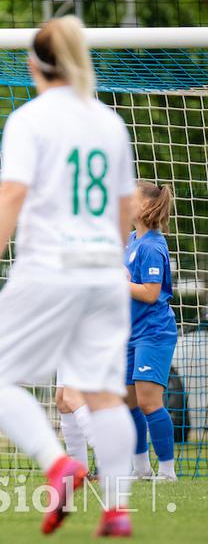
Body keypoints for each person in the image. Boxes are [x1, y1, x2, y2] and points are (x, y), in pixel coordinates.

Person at [0, 16, 138, 537]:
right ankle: (118, 510)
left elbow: (12, 192)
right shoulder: (109, 121)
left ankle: (59, 465)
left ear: (34, 63)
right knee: (104, 394)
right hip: (104, 272)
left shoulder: (30, 119)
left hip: (50, 267)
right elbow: (125, 204)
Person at [125, 181, 179, 481]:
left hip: (153, 333)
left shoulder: (153, 245)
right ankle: (141, 468)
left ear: (145, 206)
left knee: (148, 402)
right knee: (128, 401)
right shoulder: (132, 240)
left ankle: (168, 471)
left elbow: (148, 292)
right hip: (129, 333)